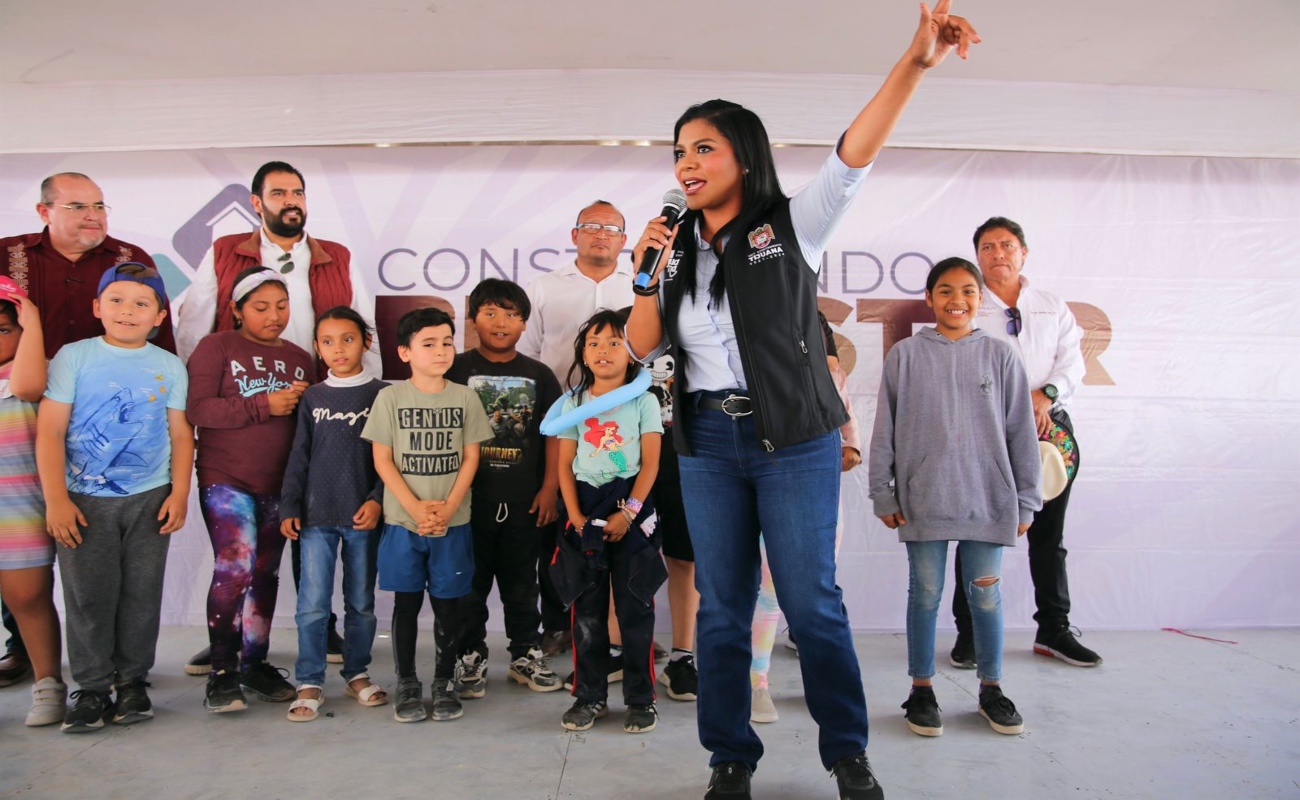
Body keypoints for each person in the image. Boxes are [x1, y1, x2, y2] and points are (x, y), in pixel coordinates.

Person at [625, 3, 980, 795]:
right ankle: (729, 756)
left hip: (794, 441)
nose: (686, 162)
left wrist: (916, 63)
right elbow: (640, 343)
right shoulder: (675, 246)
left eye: (703, 147)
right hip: (708, 443)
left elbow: (855, 154)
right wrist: (645, 269)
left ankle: (846, 752)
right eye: (679, 151)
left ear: (742, 157)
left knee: (812, 602)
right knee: (721, 608)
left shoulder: (792, 224)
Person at [175, 161, 377, 674]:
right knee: (243, 551)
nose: (291, 200)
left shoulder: (337, 257)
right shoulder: (225, 253)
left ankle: (317, 624)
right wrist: (203, 381)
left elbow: (364, 322)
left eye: (299, 192)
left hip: (320, 403)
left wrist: (358, 396)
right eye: (279, 192)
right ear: (257, 201)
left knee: (313, 514)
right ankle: (232, 643)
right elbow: (195, 322)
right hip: (247, 412)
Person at [1, 172, 178, 679]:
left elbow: (157, 350)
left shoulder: (129, 255)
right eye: (77, 205)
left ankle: (120, 670)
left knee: (96, 555)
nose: (92, 215)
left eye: (99, 204)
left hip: (109, 427)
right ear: (44, 212)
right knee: (19, 540)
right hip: (21, 414)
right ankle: (28, 650)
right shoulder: (10, 254)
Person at [868, 257, 1041, 738]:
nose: (956, 300)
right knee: (924, 595)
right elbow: (885, 430)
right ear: (929, 298)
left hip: (988, 499)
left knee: (985, 597)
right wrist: (883, 491)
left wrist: (1027, 499)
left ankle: (991, 688)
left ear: (980, 299)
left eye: (968, 291)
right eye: (945, 291)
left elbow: (1021, 432)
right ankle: (921, 689)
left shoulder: (1002, 356)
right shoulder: (904, 355)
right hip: (924, 499)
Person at [35, 263, 193, 732]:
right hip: (83, 503)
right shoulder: (73, 357)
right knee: (88, 597)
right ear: (97, 307)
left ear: (160, 316)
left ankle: (131, 682)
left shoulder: (169, 365)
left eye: (142, 303)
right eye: (118, 300)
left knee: (142, 595)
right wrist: (57, 500)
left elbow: (182, 436)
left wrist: (179, 492)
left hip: (149, 499)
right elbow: (50, 431)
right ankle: (89, 686)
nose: (128, 311)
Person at [948, 216, 1102, 669]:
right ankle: (969, 633)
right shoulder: (970, 305)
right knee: (977, 533)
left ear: (1023, 252)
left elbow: (1072, 363)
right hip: (987, 430)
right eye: (989, 247)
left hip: (1049, 428)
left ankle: (1053, 629)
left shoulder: (1051, 304)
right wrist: (1012, 404)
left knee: (1048, 536)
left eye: (1008, 245)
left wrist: (1044, 396)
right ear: (977, 256)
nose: (999, 253)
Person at [186, 267, 315, 713]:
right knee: (234, 565)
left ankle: (254, 663)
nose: (274, 316)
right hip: (226, 479)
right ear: (237, 309)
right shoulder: (215, 346)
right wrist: (264, 404)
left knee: (265, 573)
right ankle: (222, 671)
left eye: (282, 306)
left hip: (279, 483)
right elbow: (198, 408)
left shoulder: (301, 358)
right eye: (261, 307)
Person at [361, 308, 492, 724]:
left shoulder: (465, 397)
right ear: (404, 352)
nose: (440, 351)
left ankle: (443, 682)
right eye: (428, 343)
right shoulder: (390, 398)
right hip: (404, 523)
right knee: (406, 603)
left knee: (449, 606)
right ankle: (408, 683)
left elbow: (472, 457)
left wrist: (449, 507)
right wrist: (416, 508)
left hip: (453, 523)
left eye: (447, 342)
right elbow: (382, 460)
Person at [520, 200, 637, 659]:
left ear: (624, 240)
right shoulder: (545, 288)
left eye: (611, 228)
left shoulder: (640, 288)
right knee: (558, 527)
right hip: (559, 423)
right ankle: (558, 625)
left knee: (621, 523)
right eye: (591, 226)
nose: (601, 234)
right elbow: (528, 356)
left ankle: (620, 629)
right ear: (574, 235)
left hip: (626, 424)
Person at [447, 279, 563, 698]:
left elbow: (554, 436)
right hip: (467, 502)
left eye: (512, 315)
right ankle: (469, 655)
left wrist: (550, 488)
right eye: (491, 313)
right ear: (473, 318)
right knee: (469, 584)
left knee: (521, 583)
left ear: (525, 323)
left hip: (524, 502)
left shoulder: (539, 375)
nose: (501, 323)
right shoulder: (455, 369)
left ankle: (524, 654)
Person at [553, 309, 664, 734]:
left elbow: (651, 463)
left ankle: (641, 699)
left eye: (615, 342)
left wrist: (629, 512)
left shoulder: (644, 400)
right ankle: (589, 696)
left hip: (632, 506)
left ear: (633, 353)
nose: (603, 350)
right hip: (584, 511)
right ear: (582, 351)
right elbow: (565, 466)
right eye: (594, 343)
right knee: (588, 612)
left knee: (636, 609)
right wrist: (577, 517)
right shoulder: (573, 403)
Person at [749, 314, 862, 724]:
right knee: (769, 591)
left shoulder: (833, 379)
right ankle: (757, 681)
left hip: (821, 496)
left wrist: (847, 450)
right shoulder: (751, 378)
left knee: (819, 589)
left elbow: (850, 439)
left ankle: (827, 689)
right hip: (766, 493)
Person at [279, 307, 388, 722]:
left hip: (363, 516)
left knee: (360, 602)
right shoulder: (313, 396)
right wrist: (290, 504)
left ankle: (356, 672)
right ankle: (309, 679)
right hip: (315, 516)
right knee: (312, 603)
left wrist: (378, 499)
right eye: (327, 341)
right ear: (316, 346)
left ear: (366, 342)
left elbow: (389, 458)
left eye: (348, 338)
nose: (338, 349)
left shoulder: (382, 394)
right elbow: (299, 455)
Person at [0, 288, 66, 726]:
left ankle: (48, 683)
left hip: (20, 505)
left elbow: (26, 386)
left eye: (4, 330)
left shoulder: (33, 374)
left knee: (27, 597)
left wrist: (33, 319)